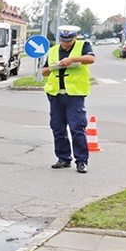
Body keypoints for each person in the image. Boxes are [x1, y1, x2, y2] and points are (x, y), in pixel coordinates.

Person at [42, 25, 95, 174]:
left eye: (68, 40)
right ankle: (63, 158)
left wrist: (72, 59)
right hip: (55, 94)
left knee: (77, 128)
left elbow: (91, 59)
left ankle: (81, 161)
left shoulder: (83, 45)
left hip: (74, 95)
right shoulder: (53, 50)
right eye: (62, 40)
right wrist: (54, 67)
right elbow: (44, 71)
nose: (65, 43)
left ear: (75, 37)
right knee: (57, 127)